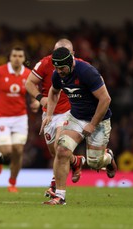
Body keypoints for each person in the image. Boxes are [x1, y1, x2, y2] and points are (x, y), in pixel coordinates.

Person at [40, 47, 117, 205]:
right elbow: (54, 92)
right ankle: (60, 196)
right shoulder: (58, 75)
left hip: (99, 120)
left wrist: (93, 124)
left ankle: (108, 158)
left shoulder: (87, 72)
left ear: (71, 63)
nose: (59, 71)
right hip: (75, 117)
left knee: (94, 162)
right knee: (61, 150)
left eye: (62, 68)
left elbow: (105, 99)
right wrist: (49, 114)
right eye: (56, 68)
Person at [25, 39, 86, 198]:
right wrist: (40, 98)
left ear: (72, 54)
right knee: (56, 153)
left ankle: (56, 188)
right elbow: (29, 83)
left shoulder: (81, 66)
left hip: (70, 112)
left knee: (61, 145)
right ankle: (75, 161)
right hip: (50, 113)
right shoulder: (45, 63)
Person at [0, 46, 35, 192]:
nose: (17, 58)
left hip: (20, 117)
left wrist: (35, 101)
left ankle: (12, 182)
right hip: (2, 118)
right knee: (7, 151)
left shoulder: (28, 74)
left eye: (20, 56)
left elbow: (33, 91)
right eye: (14, 55)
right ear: (10, 57)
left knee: (18, 150)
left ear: (24, 59)